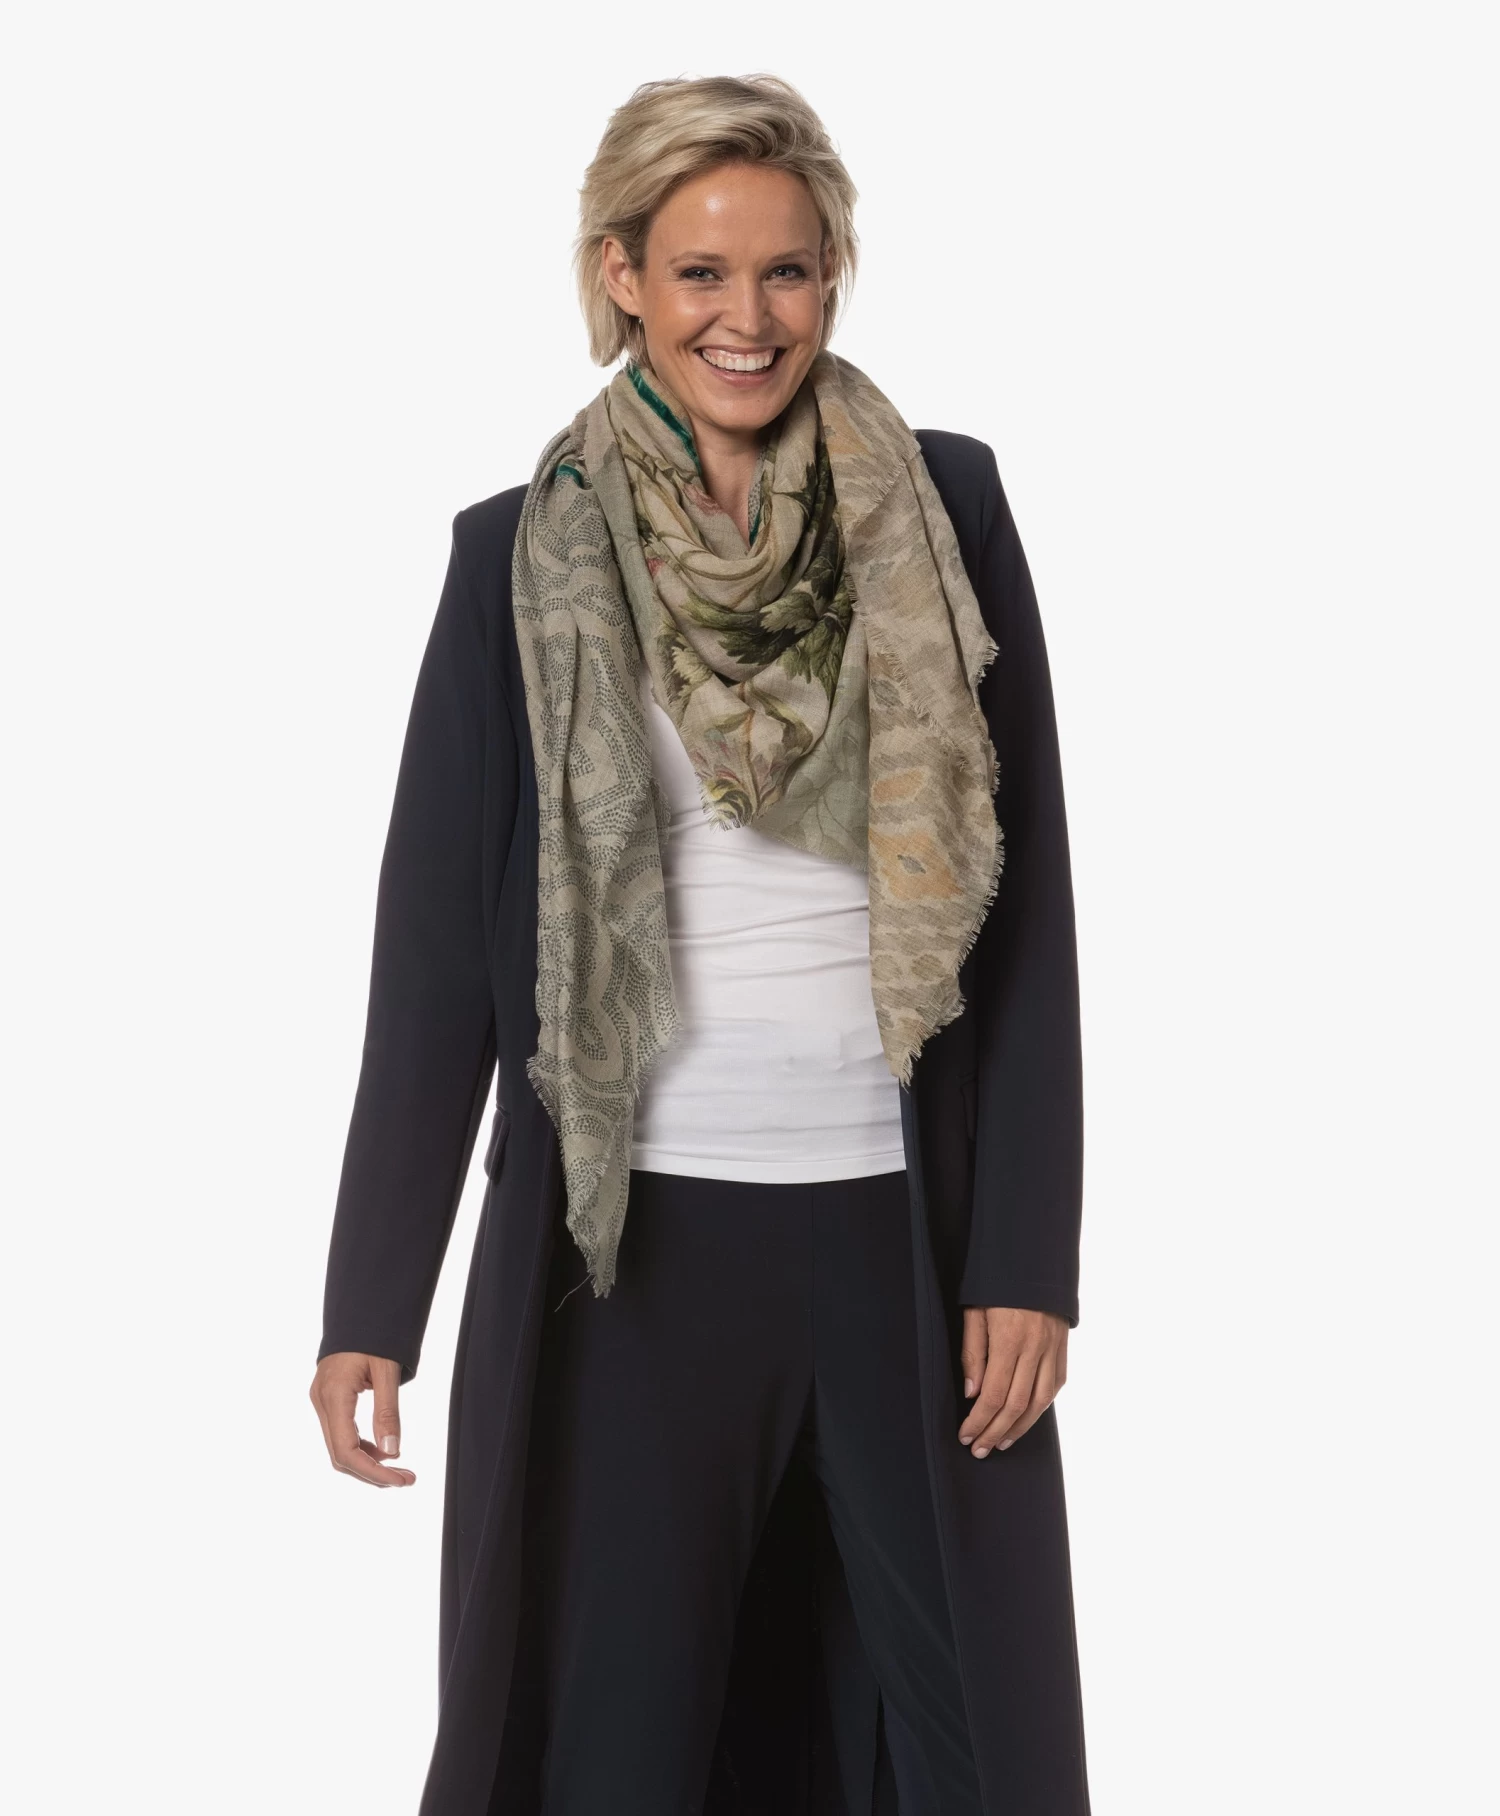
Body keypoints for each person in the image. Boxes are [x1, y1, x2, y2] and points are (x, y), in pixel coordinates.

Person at [310, 72, 1090, 1816]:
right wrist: (374, 1298)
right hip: (630, 1254)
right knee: (620, 1749)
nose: (751, 317)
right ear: (624, 278)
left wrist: (1027, 1254)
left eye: (789, 271)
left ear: (833, 279)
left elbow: (1028, 909)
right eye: (702, 273)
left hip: (902, 1241)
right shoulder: (518, 555)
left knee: (971, 1749)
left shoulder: (944, 511)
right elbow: (436, 949)